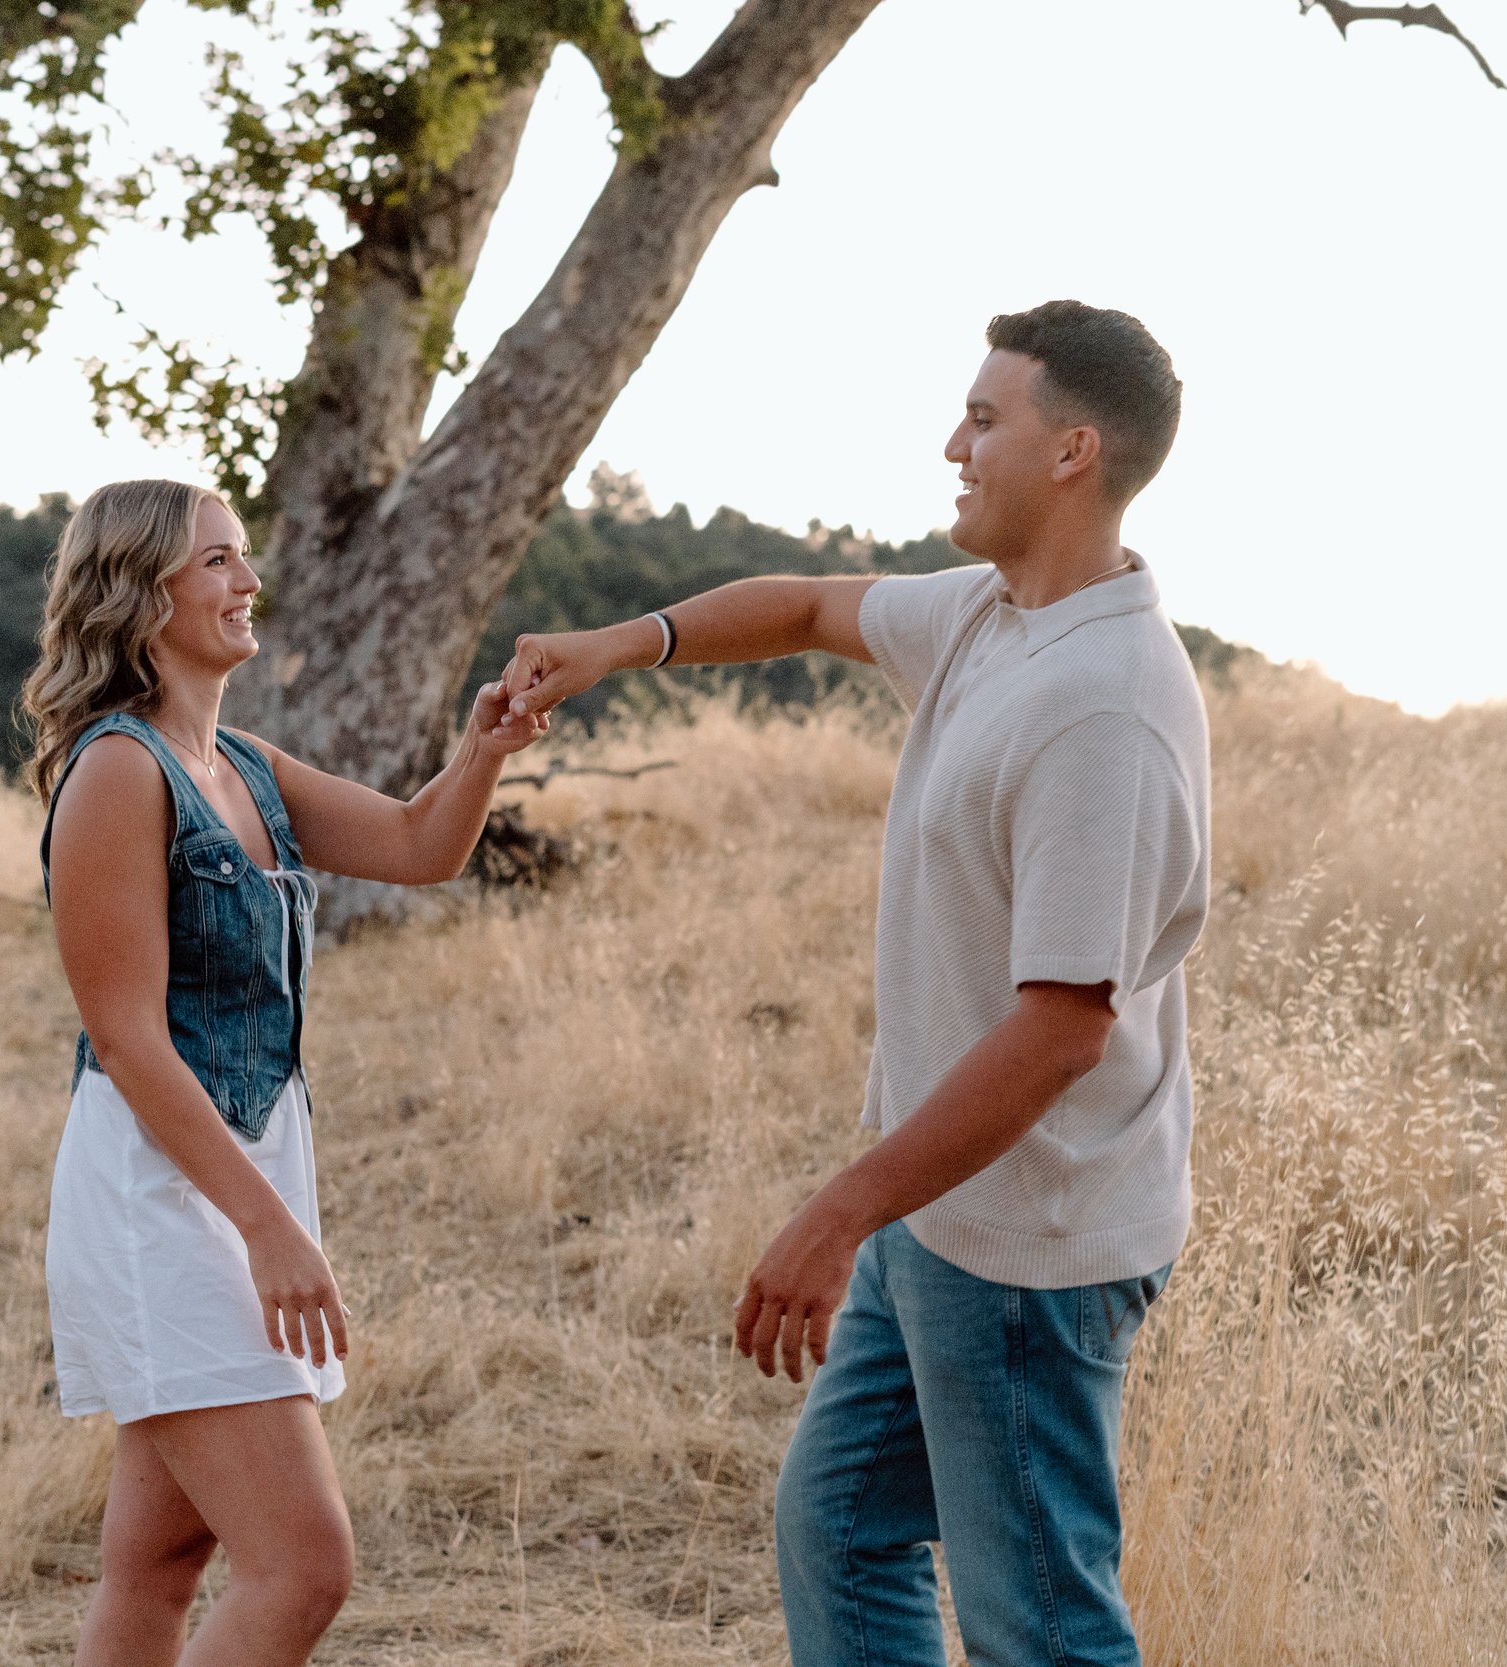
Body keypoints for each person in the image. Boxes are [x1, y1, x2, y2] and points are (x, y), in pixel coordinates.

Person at [502, 300, 1209, 1667]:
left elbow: (1064, 1028)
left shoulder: (1106, 702)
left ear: (1071, 452)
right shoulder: (996, 618)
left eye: (985, 418)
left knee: (1044, 1629)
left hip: (1028, 1247)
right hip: (938, 1208)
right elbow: (815, 606)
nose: (955, 442)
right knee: (844, 1528)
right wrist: (619, 643)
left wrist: (841, 1207)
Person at [22, 478, 547, 1667]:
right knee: (303, 1565)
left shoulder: (242, 763)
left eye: (241, 555)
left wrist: (482, 747)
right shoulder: (118, 771)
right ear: (138, 589)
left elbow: (419, 846)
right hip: (165, 1202)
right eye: (217, 560)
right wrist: (266, 1228)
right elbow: (126, 1035)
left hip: (239, 1177)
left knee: (156, 1563)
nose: (247, 579)